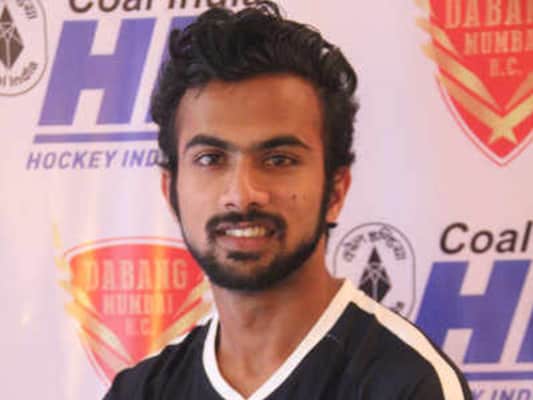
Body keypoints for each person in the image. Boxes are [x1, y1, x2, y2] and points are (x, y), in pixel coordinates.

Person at [104, 2, 472, 399]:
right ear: (170, 191)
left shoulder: (408, 385)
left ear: (336, 190)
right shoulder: (140, 391)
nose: (242, 195)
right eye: (210, 159)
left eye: (278, 160)